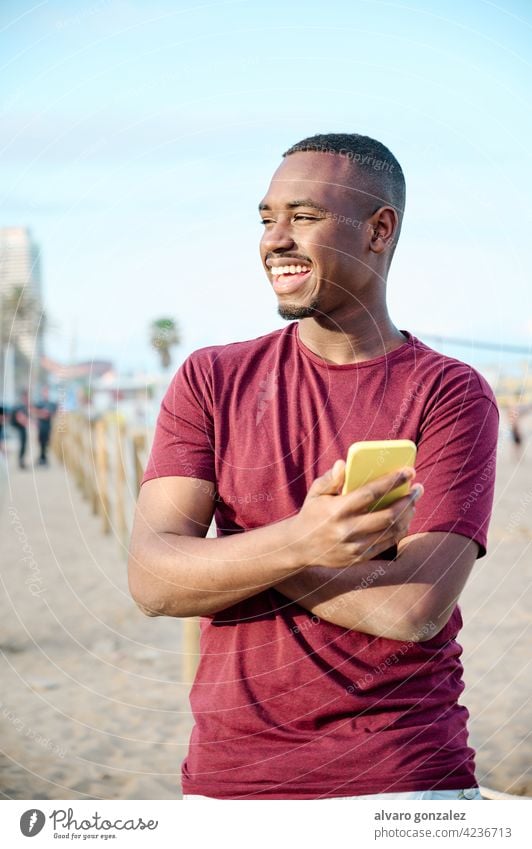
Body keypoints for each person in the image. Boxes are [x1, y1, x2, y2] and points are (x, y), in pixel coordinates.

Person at [128, 133, 499, 801]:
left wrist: (225, 562)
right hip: (227, 786)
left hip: (401, 781)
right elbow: (154, 581)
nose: (274, 239)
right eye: (267, 218)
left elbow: (411, 605)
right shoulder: (211, 378)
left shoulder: (450, 392)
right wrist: (308, 538)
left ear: (379, 229)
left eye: (304, 216)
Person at [32, 385, 57, 466]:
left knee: (46, 442)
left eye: (47, 392)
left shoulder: (51, 403)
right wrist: (42, 414)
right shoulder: (39, 403)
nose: (45, 393)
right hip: (41, 426)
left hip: (48, 426)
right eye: (44, 392)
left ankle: (44, 458)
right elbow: (35, 412)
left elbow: (54, 413)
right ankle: (42, 458)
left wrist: (47, 414)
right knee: (40, 442)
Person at [10, 389, 30, 469]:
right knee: (22, 444)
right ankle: (21, 461)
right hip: (18, 427)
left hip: (21, 427)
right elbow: (19, 418)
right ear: (23, 397)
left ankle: (21, 461)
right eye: (26, 397)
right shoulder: (20, 405)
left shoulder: (24, 405)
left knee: (24, 444)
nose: (27, 399)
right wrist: (27, 423)